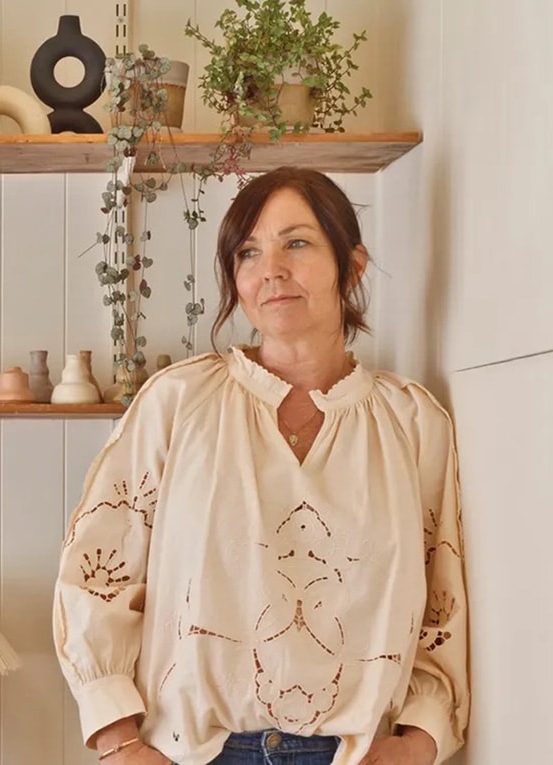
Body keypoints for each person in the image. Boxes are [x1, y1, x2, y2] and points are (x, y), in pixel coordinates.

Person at [53, 167, 469, 765]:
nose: (270, 269)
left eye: (296, 243)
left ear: (352, 265)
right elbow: (97, 573)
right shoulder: (179, 403)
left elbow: (442, 599)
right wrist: (119, 744)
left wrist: (421, 739)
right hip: (191, 752)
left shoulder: (412, 423)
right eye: (248, 252)